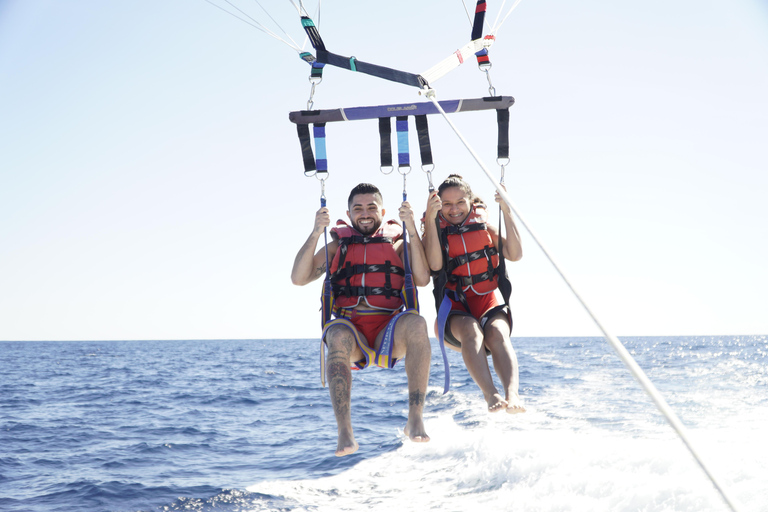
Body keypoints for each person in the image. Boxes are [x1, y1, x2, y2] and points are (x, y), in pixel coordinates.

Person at [291, 183, 433, 456]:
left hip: (388, 332)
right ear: (349, 213)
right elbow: (298, 278)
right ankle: (345, 431)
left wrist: (411, 228)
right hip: (351, 331)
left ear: (382, 211)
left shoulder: (398, 243)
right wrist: (315, 232)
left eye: (371, 208)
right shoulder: (338, 247)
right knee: (337, 336)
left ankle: (415, 418)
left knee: (417, 323)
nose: (364, 213)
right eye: (358, 208)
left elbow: (424, 279)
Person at [422, 174, 525, 414]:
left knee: (498, 332)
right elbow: (435, 266)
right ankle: (491, 394)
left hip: (486, 302)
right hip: (453, 311)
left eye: (460, 202)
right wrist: (430, 220)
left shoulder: (484, 227)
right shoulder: (435, 230)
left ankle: (513, 393)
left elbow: (515, 253)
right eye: (446, 204)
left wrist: (507, 210)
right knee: (471, 330)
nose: (454, 209)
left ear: (470, 202)